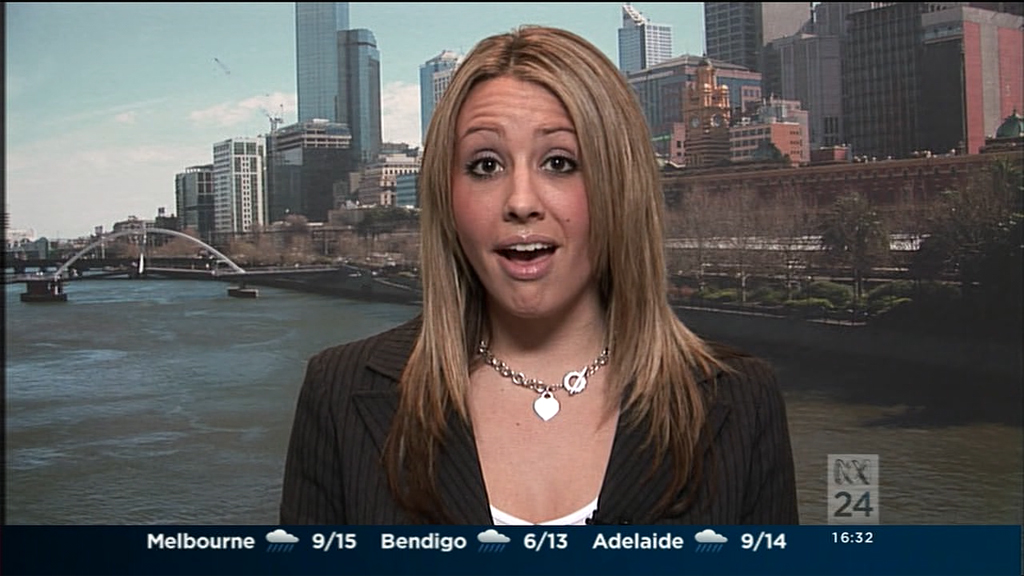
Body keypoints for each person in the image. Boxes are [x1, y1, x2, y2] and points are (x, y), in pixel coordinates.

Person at [280, 25, 798, 526]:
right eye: (486, 166)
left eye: (559, 162)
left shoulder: (741, 401)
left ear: (620, 186)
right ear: (446, 197)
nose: (521, 202)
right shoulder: (338, 392)